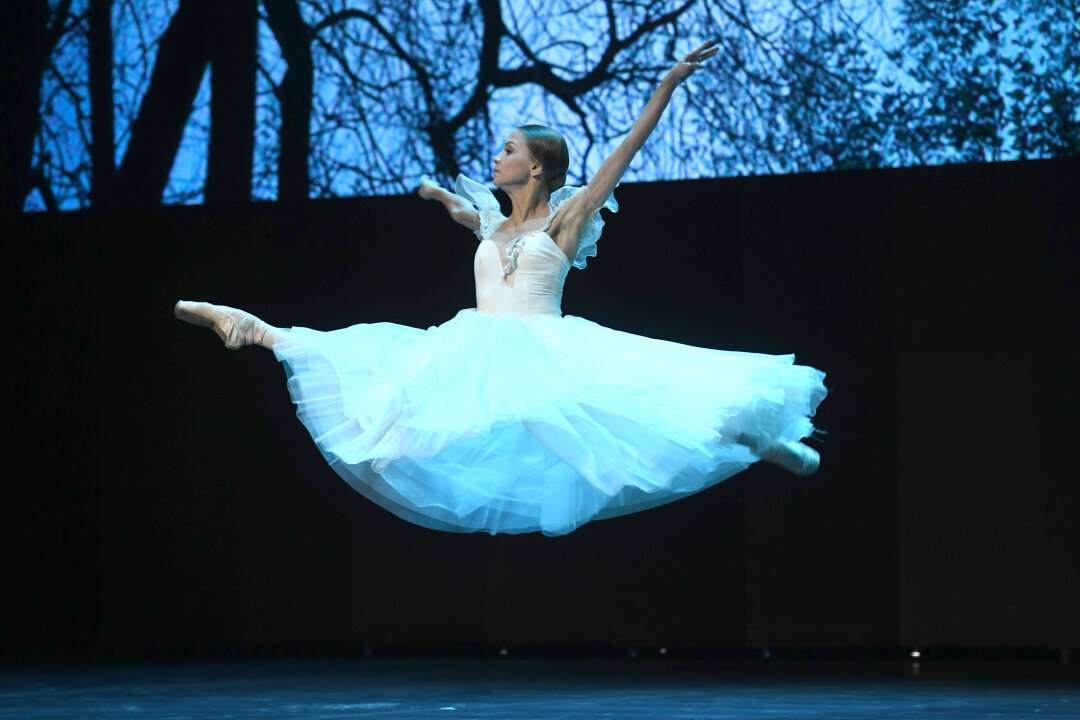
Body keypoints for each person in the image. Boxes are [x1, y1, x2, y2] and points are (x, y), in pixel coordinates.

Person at [175, 42, 827, 536]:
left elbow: (623, 153)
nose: (498, 156)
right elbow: (471, 214)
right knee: (386, 381)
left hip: (545, 347)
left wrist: (664, 86)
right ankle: (253, 328)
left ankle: (753, 440)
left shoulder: (568, 219)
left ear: (536, 167)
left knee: (634, 424)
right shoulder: (492, 224)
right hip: (480, 345)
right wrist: (439, 197)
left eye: (509, 149)